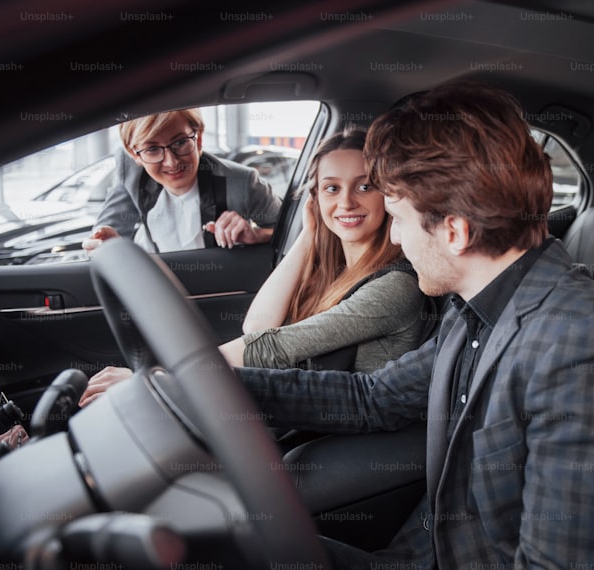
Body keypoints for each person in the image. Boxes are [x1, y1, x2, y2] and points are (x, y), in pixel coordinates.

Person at [171, 82, 594, 570]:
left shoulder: (585, 346)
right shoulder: (477, 308)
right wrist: (198, 390)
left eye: (397, 216)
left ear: (453, 230)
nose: (392, 236)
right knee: (227, 563)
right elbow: (373, 400)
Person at [78, 127, 427, 406]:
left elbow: (268, 349)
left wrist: (157, 377)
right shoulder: (331, 272)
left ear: (388, 194)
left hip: (337, 443)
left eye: (365, 186)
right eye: (331, 188)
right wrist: (309, 234)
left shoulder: (394, 287)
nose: (346, 201)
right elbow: (257, 326)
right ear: (315, 198)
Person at [81, 108, 280, 254]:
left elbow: (294, 235)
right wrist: (109, 247)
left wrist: (256, 235)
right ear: (135, 155)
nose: (172, 162)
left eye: (180, 142)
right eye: (152, 149)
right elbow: (104, 239)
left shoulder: (242, 182)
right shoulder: (132, 175)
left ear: (199, 139)